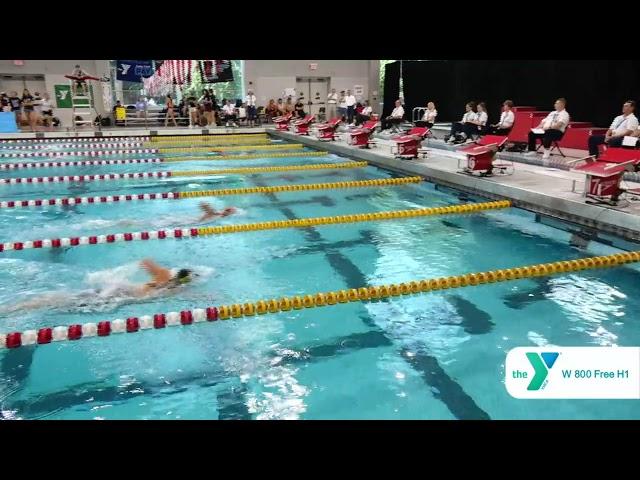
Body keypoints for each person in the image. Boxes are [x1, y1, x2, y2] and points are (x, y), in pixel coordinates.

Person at [2, 259, 198, 314]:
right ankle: (10, 310)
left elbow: (146, 261)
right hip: (113, 297)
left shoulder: (163, 278)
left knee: (56, 299)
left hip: (115, 290)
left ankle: (11, 308)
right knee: (58, 303)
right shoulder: (169, 287)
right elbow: (191, 297)